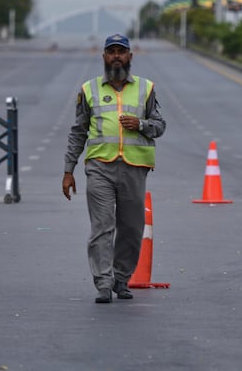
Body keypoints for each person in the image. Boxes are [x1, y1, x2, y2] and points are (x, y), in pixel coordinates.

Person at [62, 34, 166, 304]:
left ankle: (122, 278)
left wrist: (141, 125)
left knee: (131, 228)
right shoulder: (89, 90)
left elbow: (160, 125)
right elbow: (78, 132)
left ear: (130, 57)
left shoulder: (146, 88)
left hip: (134, 168)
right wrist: (68, 169)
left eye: (122, 51)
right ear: (104, 57)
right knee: (102, 226)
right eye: (112, 52)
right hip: (100, 168)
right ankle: (104, 283)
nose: (117, 56)